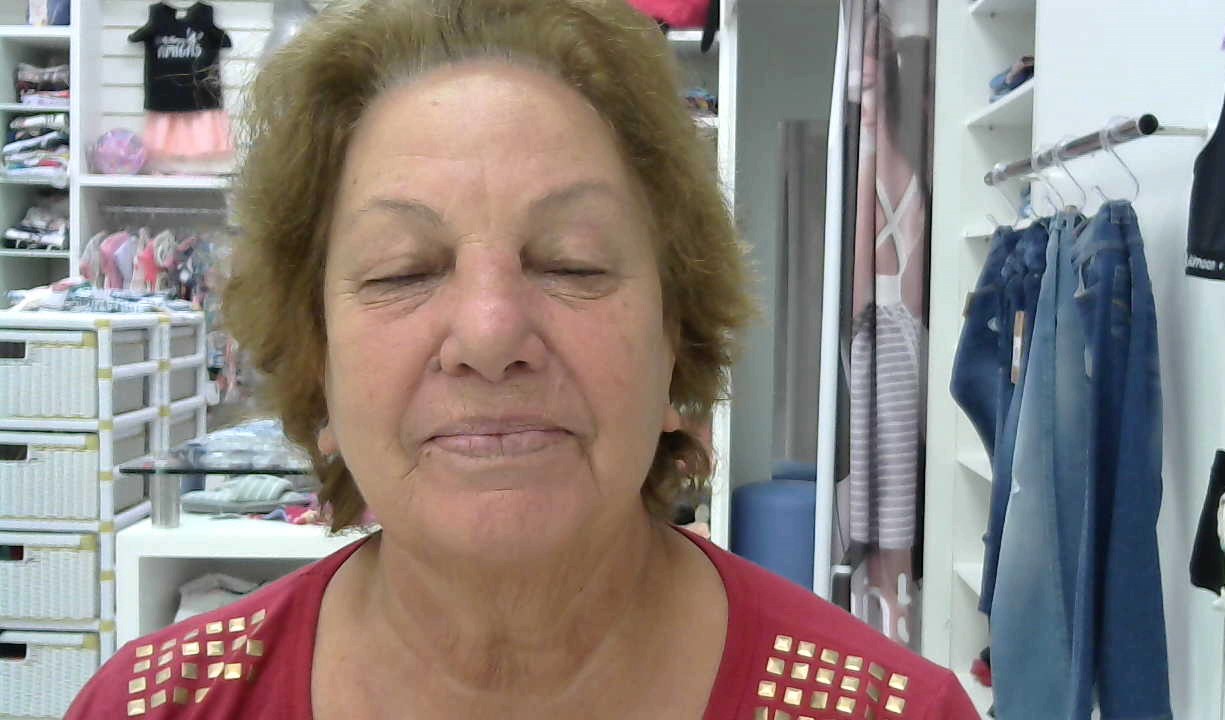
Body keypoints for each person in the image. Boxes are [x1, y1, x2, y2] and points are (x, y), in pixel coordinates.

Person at [66, 1, 978, 717]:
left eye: (572, 264)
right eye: (402, 271)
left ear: (678, 344)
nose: (491, 333)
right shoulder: (154, 708)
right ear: (317, 366)